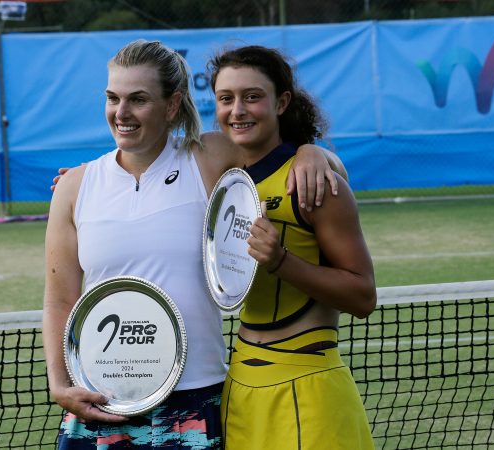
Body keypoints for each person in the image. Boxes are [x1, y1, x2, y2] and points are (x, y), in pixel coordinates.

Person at [42, 39, 345, 450]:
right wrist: (60, 385)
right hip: (102, 400)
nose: (122, 113)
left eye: (138, 99)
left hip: (195, 400)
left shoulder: (209, 157)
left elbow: (281, 155)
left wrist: (314, 153)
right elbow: (60, 300)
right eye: (112, 98)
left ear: (172, 105)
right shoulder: (76, 187)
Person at [208, 46, 376, 450]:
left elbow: (363, 296)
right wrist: (89, 180)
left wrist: (281, 261)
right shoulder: (226, 182)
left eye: (252, 96)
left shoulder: (314, 182)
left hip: (308, 387)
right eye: (225, 98)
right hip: (239, 390)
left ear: (281, 102)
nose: (237, 110)